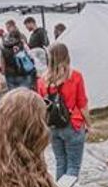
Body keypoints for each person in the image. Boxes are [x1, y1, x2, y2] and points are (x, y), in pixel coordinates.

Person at [36, 42, 89, 179]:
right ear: (66, 56)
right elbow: (82, 103)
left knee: (60, 163)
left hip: (53, 126)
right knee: (73, 165)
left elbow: (42, 104)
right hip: (73, 123)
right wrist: (89, 123)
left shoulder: (42, 80)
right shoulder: (75, 76)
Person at [1, 20, 36, 90]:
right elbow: (31, 55)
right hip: (23, 72)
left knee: (13, 96)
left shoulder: (5, 45)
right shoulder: (22, 43)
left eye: (8, 27)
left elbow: (2, 60)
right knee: (25, 95)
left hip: (10, 74)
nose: (7, 29)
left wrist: (4, 72)